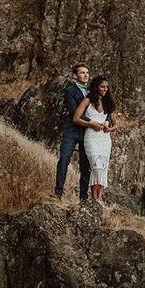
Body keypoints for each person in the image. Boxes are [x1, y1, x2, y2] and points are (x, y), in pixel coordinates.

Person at [72, 75, 119, 202]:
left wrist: (109, 129)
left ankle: (99, 199)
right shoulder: (87, 101)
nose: (105, 89)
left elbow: (116, 125)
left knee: (103, 168)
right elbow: (76, 118)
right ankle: (93, 198)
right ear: (96, 87)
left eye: (107, 87)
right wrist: (90, 124)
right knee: (96, 166)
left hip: (104, 138)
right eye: (102, 86)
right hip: (91, 137)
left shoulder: (108, 103)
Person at [53, 63, 91, 201]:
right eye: (82, 72)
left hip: (87, 132)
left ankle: (83, 198)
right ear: (75, 75)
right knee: (64, 159)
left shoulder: (93, 91)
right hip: (72, 129)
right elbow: (75, 112)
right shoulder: (70, 90)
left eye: (87, 72)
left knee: (86, 165)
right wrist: (93, 122)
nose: (85, 75)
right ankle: (58, 193)